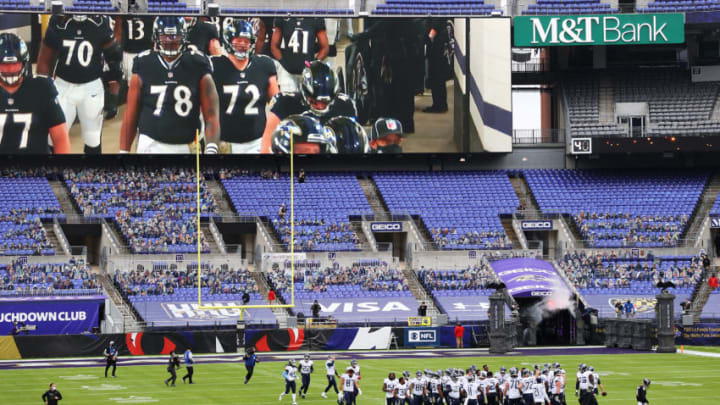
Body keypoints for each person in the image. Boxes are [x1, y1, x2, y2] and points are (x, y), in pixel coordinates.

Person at [120, 16, 220, 154]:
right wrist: (123, 152)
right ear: (156, 37)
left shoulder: (198, 63)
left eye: (175, 36)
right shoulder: (144, 63)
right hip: (150, 142)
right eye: (164, 36)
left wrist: (211, 149)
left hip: (188, 143)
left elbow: (211, 114)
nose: (169, 41)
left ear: (184, 37)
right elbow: (130, 114)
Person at [37, 15, 122, 153]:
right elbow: (44, 60)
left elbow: (114, 59)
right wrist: (43, 93)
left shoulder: (100, 21)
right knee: (52, 140)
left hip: (91, 87)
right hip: (62, 87)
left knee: (93, 141)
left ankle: (89, 174)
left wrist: (113, 95)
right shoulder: (58, 21)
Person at [211, 18, 279, 154]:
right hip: (225, 142)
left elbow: (276, 103)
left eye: (246, 40)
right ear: (229, 40)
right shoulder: (214, 65)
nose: (242, 44)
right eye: (238, 40)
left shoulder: (264, 64)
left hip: (257, 141)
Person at [259, 61, 356, 153]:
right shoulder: (285, 103)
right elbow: (267, 145)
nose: (320, 106)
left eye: (325, 102)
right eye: (314, 101)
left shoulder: (345, 104)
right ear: (304, 93)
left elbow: (354, 141)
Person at [0, 33, 70, 154]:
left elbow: (60, 138)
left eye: (15, 64)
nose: (10, 69)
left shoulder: (42, 88)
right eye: (4, 65)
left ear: (24, 62)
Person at [271, 17, 329, 91]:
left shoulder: (315, 18)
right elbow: (274, 46)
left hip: (308, 73)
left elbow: (325, 48)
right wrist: (283, 63)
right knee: (288, 100)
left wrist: (314, 64)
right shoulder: (284, 17)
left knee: (307, 100)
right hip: (287, 73)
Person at [113, 15, 154, 84]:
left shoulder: (123, 14)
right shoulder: (149, 13)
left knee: (132, 83)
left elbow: (118, 35)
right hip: (145, 51)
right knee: (147, 82)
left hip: (130, 52)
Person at [423, 19, 451, 113]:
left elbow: (433, 30)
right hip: (438, 49)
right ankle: (440, 104)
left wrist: (428, 38)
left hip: (436, 50)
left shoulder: (436, 21)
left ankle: (438, 105)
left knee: (436, 79)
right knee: (439, 80)